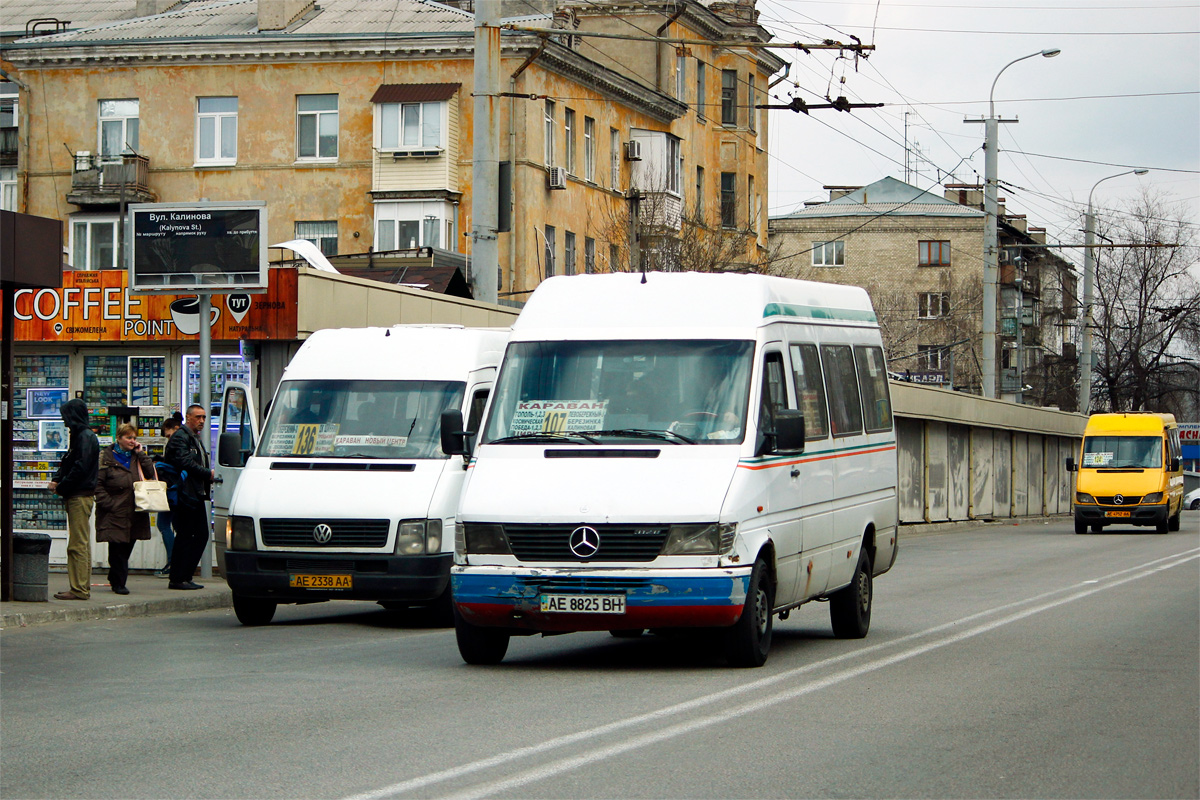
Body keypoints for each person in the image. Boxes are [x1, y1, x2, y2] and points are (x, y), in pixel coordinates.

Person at [94, 423, 157, 595]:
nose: (132, 441)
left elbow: (151, 472)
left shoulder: (136, 456)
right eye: (128, 438)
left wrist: (141, 453)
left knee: (128, 545)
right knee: (117, 548)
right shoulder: (106, 457)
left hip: (135, 509)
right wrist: (109, 504)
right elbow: (97, 484)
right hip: (115, 510)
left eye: (134, 438)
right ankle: (119, 583)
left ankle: (115, 577)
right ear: (119, 438)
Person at [47, 399, 99, 601]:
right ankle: (81, 587)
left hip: (79, 495)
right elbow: (72, 463)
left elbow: (79, 467)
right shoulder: (82, 436)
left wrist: (61, 486)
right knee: (81, 544)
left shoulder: (84, 437)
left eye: (66, 417)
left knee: (77, 545)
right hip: (80, 494)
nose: (64, 421)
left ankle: (79, 589)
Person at [164, 404, 214, 590]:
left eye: (204, 418)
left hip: (195, 493)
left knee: (200, 535)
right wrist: (207, 473)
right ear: (188, 417)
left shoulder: (194, 438)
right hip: (185, 494)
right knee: (186, 535)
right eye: (198, 417)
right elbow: (185, 462)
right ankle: (178, 577)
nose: (201, 421)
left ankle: (185, 575)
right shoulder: (181, 437)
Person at [153, 413, 184, 577]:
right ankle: (177, 562)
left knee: (164, 525)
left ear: (176, 429)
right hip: (177, 491)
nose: (168, 439)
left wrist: (160, 463)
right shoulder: (184, 442)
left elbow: (177, 466)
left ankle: (173, 562)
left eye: (169, 434)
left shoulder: (177, 444)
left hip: (172, 490)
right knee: (175, 527)